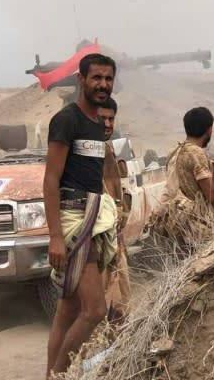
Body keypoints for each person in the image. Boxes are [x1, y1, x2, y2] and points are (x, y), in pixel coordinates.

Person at [43, 53, 119, 377]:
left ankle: (50, 374)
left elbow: (102, 172)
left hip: (94, 218)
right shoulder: (67, 120)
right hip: (74, 220)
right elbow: (50, 180)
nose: (103, 84)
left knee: (67, 311)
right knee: (95, 310)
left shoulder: (98, 125)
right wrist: (56, 236)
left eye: (108, 78)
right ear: (81, 79)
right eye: (96, 78)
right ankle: (61, 375)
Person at [148, 107, 214, 255]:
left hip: (175, 223)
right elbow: (212, 195)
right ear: (208, 130)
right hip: (192, 227)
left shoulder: (175, 150)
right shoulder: (196, 153)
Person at [98, 97, 132, 327]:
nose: (108, 124)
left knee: (120, 303)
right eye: (103, 119)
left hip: (113, 240)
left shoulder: (106, 147)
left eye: (111, 119)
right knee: (100, 305)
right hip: (98, 243)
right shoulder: (87, 152)